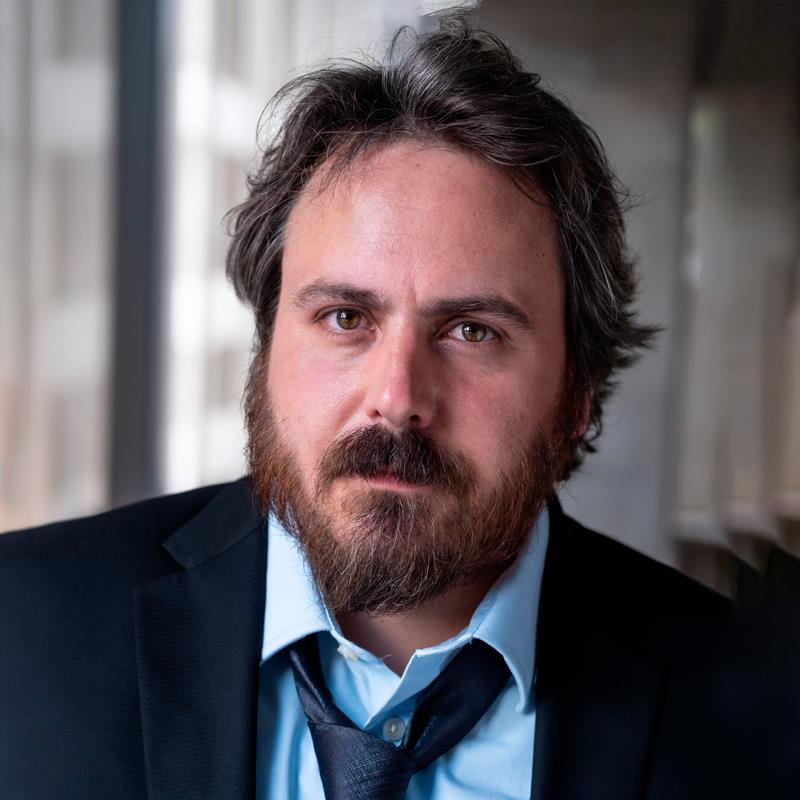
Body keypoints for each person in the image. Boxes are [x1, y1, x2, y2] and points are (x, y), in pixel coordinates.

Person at [1, 18, 796, 800]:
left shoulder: (764, 719)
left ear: (577, 394)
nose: (397, 399)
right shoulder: (20, 628)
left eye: (472, 331)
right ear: (266, 350)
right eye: (345, 317)